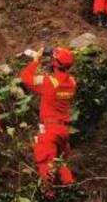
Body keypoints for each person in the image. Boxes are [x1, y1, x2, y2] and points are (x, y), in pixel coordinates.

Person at [20, 47, 76, 189]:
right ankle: (70, 191)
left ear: (54, 62)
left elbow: (25, 77)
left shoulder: (49, 82)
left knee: (45, 166)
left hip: (50, 130)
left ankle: (48, 198)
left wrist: (35, 61)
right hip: (64, 130)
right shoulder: (72, 83)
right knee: (61, 164)